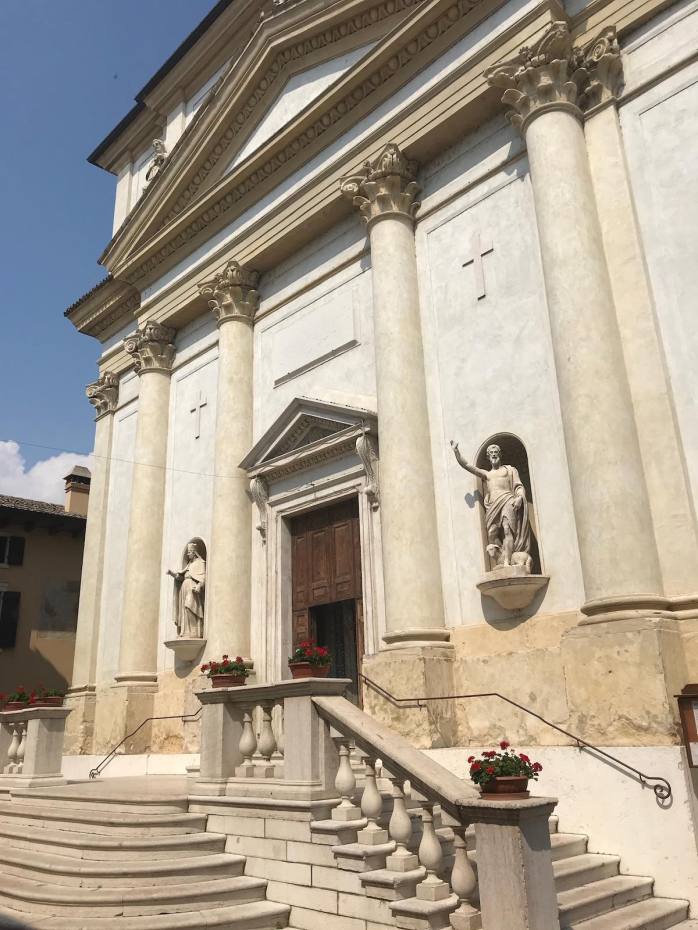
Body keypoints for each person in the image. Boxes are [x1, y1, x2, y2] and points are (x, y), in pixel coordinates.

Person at [450, 441, 531, 571]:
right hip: (493, 507)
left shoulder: (509, 470)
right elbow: (467, 465)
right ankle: (504, 554)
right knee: (492, 534)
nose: (494, 455)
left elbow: (519, 486)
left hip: (507, 500)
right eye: (491, 453)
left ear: (500, 455)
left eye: (496, 452)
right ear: (488, 457)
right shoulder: (487, 474)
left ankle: (507, 562)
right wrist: (456, 452)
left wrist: (520, 498)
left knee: (507, 529)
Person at [167, 539, 206, 638]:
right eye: (188, 552)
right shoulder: (189, 565)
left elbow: (203, 577)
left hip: (192, 587)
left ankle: (195, 631)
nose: (188, 555)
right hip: (184, 588)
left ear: (194, 553)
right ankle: (186, 631)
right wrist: (172, 574)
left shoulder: (200, 563)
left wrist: (199, 586)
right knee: (184, 609)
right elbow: (181, 577)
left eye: (189, 553)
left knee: (190, 607)